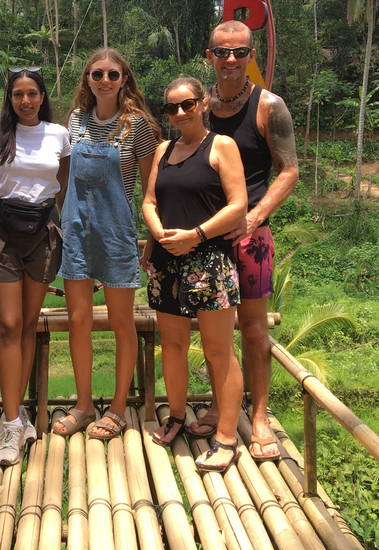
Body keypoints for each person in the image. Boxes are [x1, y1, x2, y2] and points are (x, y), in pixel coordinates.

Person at [189, 20, 299, 462]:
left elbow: (289, 169)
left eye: (240, 52)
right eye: (222, 52)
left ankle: (258, 417)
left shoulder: (268, 106)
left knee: (253, 329)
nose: (231, 60)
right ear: (209, 56)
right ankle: (220, 406)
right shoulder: (199, 107)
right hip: (207, 237)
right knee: (214, 331)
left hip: (249, 238)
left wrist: (255, 216)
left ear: (251, 55)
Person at [52, 48, 160, 440]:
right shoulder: (76, 121)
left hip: (117, 236)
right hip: (78, 234)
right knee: (78, 322)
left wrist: (149, 240)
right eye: (96, 74)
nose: (104, 81)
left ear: (124, 80)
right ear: (87, 80)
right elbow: (65, 182)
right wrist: (65, 219)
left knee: (120, 323)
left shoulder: (139, 126)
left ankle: (116, 409)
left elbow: (150, 190)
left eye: (113, 75)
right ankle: (83, 405)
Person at [142, 77, 247, 472]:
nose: (180, 113)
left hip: (209, 262)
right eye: (171, 108)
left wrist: (197, 235)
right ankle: (176, 416)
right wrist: (157, 230)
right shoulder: (162, 150)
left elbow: (238, 205)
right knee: (172, 345)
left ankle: (225, 436)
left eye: (187, 104)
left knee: (219, 350)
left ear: (204, 104)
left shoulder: (221, 146)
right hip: (167, 261)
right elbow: (150, 201)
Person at [0, 69, 70, 466]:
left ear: (43, 96)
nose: (26, 101)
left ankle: (20, 411)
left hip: (43, 233)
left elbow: (64, 192)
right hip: (2, 235)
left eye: (32, 94)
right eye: (18, 94)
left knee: (29, 324)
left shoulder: (59, 135)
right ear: (9, 98)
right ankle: (11, 422)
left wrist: (75, 240)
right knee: (9, 325)